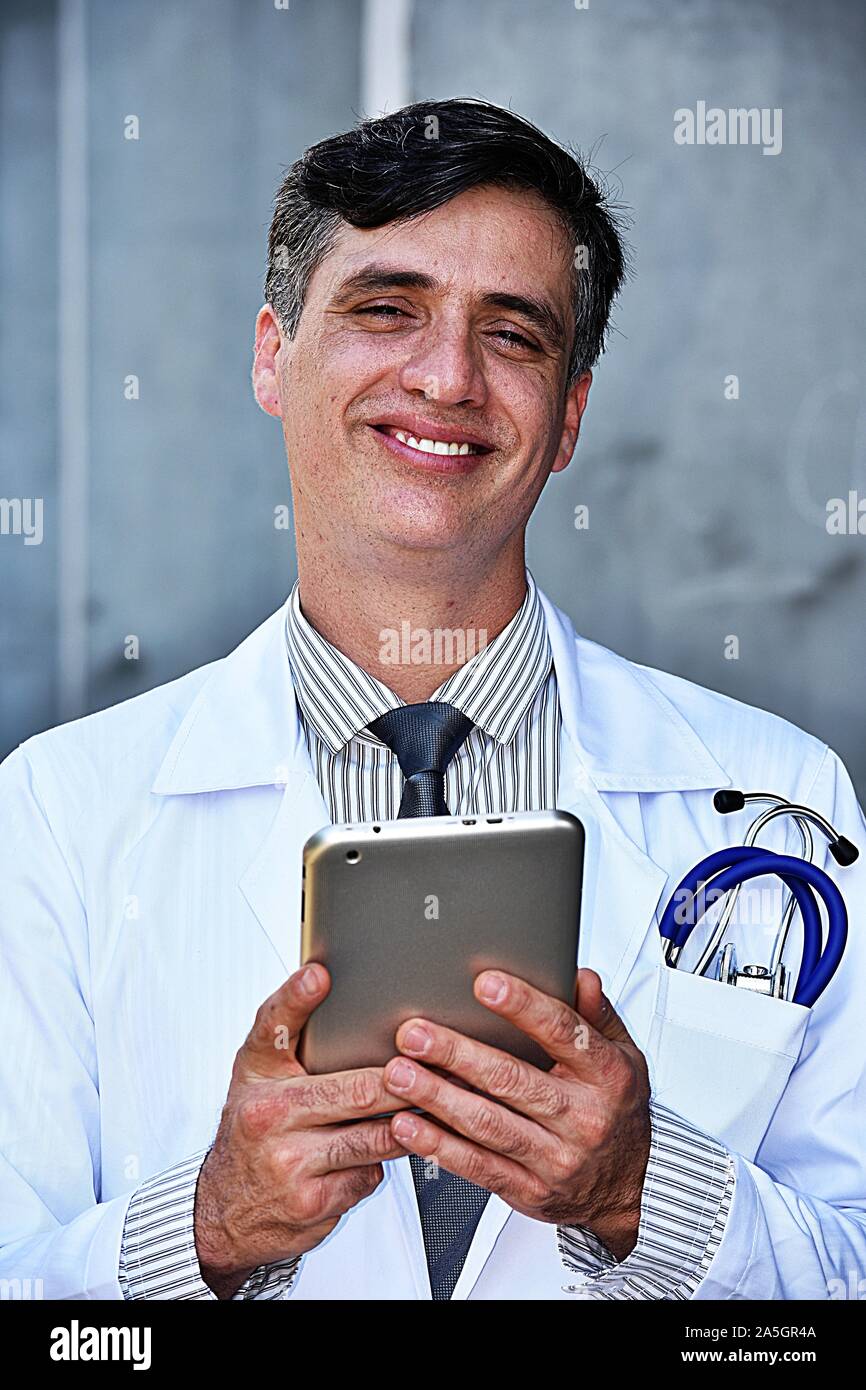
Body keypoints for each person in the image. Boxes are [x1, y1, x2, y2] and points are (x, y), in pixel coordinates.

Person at [1, 99, 865, 1302]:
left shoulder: (784, 800)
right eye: (384, 309)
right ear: (271, 354)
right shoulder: (53, 808)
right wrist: (207, 1225)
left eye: (513, 334)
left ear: (565, 417)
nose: (446, 375)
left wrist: (643, 1192)